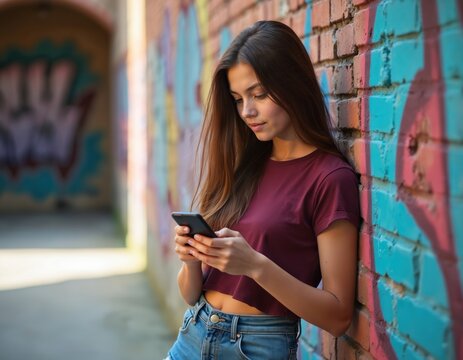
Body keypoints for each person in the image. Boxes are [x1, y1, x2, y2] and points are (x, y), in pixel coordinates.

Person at [166, 20, 360, 360]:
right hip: (192, 335)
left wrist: (255, 265)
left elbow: (338, 316)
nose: (247, 111)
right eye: (238, 98)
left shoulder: (329, 178)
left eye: (259, 94)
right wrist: (190, 260)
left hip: (256, 348)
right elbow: (190, 293)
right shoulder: (243, 163)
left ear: (293, 85)